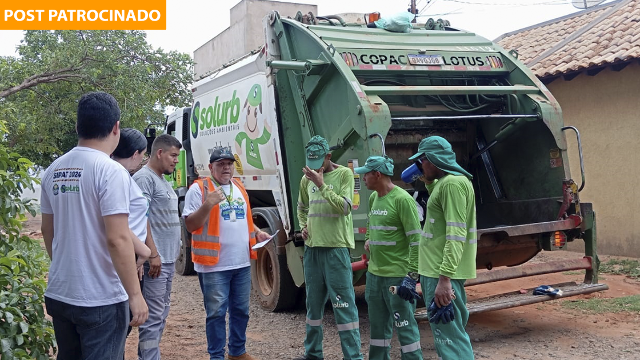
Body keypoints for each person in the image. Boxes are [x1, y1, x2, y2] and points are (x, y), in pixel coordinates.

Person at [40, 92, 148, 359]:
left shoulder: (53, 169)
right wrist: (135, 295)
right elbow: (118, 238)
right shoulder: (110, 171)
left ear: (78, 127)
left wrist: (68, 270)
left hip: (61, 293)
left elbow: (47, 230)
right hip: (100, 298)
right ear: (115, 128)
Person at [182, 146, 270, 360]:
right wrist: (208, 204)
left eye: (229, 164)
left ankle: (237, 352)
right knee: (216, 314)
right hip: (213, 265)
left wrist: (257, 232)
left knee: (241, 311)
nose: (226, 168)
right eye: (221, 164)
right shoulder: (199, 189)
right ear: (211, 167)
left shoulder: (239, 187)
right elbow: (190, 226)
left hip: (240, 263)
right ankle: (216, 356)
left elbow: (243, 218)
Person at [294, 136, 363, 360]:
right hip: (313, 250)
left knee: (344, 306)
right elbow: (302, 207)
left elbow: (345, 207)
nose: (313, 167)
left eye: (318, 161)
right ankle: (313, 354)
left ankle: (353, 357)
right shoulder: (306, 179)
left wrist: (321, 184)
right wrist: (304, 226)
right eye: (310, 161)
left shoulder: (344, 174)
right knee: (313, 307)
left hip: (336, 249)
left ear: (328, 157)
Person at [409, 136, 477, 359]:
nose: (420, 166)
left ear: (432, 159)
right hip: (434, 271)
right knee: (446, 334)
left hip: (441, 272)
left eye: (422, 162)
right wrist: (427, 180)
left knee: (450, 338)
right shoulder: (449, 182)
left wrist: (445, 279)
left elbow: (455, 234)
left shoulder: (452, 185)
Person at [354, 156, 423, 360]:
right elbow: (371, 226)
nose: (363, 178)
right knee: (378, 330)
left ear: (377, 174)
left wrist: (411, 276)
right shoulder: (374, 198)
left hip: (397, 278)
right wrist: (368, 239)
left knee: (405, 327)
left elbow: (416, 241)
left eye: (366, 174)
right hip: (375, 277)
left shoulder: (402, 200)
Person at [133, 134, 182, 360]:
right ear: (159, 153)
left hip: (168, 260)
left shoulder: (162, 180)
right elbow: (141, 218)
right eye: (173, 155)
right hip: (157, 260)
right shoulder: (145, 179)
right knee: (152, 318)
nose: (175, 161)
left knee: (161, 314)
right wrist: (153, 254)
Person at [111, 128, 152, 352]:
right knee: (118, 327)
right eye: (143, 155)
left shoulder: (121, 175)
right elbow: (116, 224)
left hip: (129, 251)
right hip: (125, 254)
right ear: (135, 154)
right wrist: (143, 251)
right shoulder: (117, 175)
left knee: (119, 331)